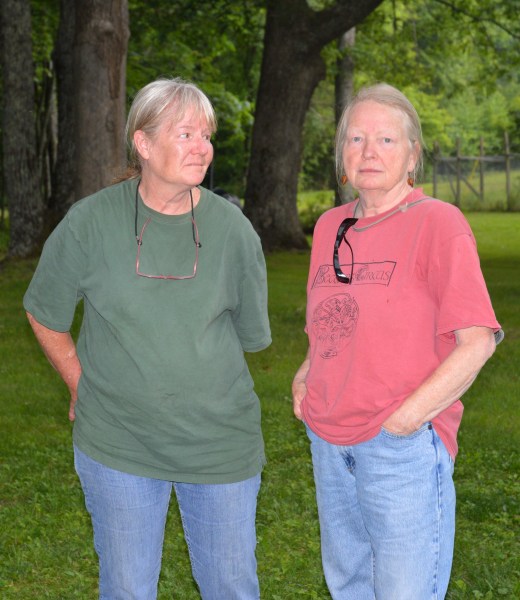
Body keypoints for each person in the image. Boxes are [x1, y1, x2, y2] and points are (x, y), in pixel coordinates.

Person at [24, 77, 271, 600]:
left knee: (231, 586)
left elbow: (252, 336)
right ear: (143, 142)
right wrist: (78, 383)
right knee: (128, 588)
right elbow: (44, 311)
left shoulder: (233, 230)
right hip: (119, 443)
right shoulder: (90, 223)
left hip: (219, 447)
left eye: (207, 136)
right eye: (186, 134)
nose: (201, 147)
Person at [292, 83, 502, 600]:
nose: (368, 152)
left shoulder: (438, 223)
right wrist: (304, 374)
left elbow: (477, 341)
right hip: (328, 441)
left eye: (386, 140)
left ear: (412, 155)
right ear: (342, 154)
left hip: (398, 448)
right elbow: (329, 325)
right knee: (349, 587)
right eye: (356, 138)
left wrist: (406, 419)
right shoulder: (329, 227)